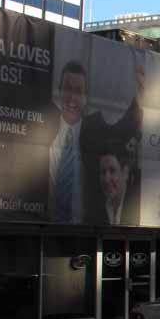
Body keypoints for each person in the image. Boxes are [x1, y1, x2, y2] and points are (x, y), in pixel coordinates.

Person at [44, 61, 144, 223]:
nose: (72, 97)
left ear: (85, 98)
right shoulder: (44, 121)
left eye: (78, 91)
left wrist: (140, 95)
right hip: (42, 223)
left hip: (83, 227)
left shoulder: (94, 127)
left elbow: (123, 129)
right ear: (59, 91)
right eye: (68, 88)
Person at [95, 142, 140, 226]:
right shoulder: (96, 210)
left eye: (112, 171)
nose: (106, 179)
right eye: (103, 172)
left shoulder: (139, 205)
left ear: (125, 173)